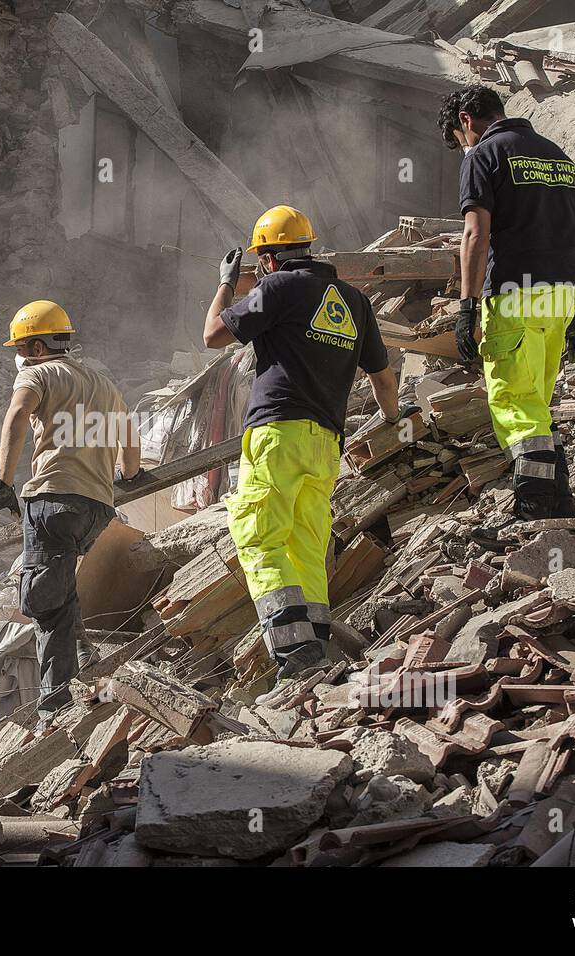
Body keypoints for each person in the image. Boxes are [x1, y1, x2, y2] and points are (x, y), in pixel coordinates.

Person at [202, 205, 405, 688]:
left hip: (279, 432)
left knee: (258, 534)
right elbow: (383, 379)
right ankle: (315, 643)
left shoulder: (278, 287)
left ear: (269, 258)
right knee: (308, 545)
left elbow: (213, 335)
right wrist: (394, 422)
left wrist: (227, 284)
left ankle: (293, 649)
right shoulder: (353, 301)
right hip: (325, 443)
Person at [0, 300, 141, 730]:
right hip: (97, 510)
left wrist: (2, 483)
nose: (17, 356)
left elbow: (16, 415)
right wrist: (129, 475)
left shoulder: (37, 374)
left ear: (35, 347)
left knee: (43, 603)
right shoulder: (105, 385)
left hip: (52, 502)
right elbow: (130, 440)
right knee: (61, 592)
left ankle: (55, 710)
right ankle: (81, 672)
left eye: (19, 348)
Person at [441, 84, 575, 520]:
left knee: (513, 404)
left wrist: (467, 306)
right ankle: (560, 503)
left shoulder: (482, 157)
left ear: (466, 120)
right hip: (563, 295)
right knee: (536, 404)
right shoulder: (559, 158)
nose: (462, 147)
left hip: (515, 295)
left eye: (458, 138)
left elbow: (475, 234)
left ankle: (533, 508)